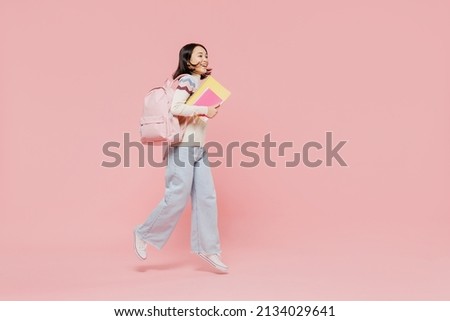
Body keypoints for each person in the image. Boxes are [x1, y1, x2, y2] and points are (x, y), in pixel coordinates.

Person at [134, 43, 228, 273]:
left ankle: (209, 249)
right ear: (188, 60)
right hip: (182, 147)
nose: (205, 58)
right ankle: (143, 233)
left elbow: (189, 114)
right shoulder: (187, 80)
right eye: (200, 55)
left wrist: (205, 111)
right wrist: (205, 110)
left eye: (206, 55)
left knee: (207, 197)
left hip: (197, 148)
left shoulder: (197, 83)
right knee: (177, 195)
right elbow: (176, 107)